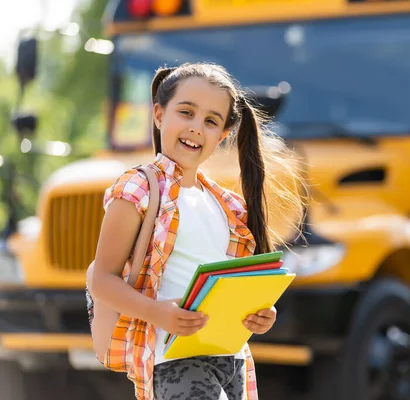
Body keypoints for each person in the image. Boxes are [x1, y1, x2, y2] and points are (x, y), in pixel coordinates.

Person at [86, 62, 306, 400]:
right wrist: (158, 312)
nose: (196, 129)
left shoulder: (228, 205)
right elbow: (101, 279)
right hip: (173, 358)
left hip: (231, 358)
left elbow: (227, 285)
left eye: (210, 121)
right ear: (159, 115)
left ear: (223, 135)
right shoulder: (139, 188)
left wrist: (258, 313)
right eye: (186, 113)